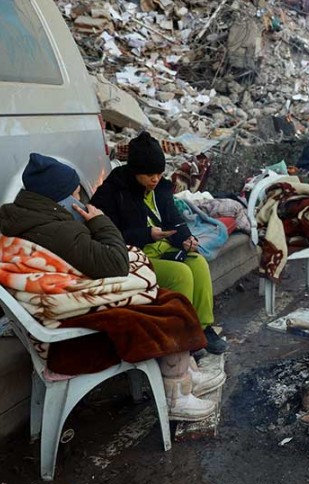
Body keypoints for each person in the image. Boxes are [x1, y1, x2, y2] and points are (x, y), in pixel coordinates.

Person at [0, 154, 223, 420]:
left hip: (57, 306)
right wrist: (99, 221)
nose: (80, 200)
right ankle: (177, 395)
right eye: (75, 193)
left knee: (171, 293)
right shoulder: (58, 229)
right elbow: (116, 263)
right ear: (59, 198)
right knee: (170, 308)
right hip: (67, 336)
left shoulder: (24, 217)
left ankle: (185, 374)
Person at [90, 132, 227, 354]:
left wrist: (185, 239)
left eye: (159, 173)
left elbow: (175, 220)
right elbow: (105, 234)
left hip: (162, 248)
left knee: (198, 263)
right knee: (180, 274)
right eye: (149, 174)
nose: (155, 179)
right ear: (135, 171)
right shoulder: (113, 191)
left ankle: (202, 328)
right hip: (134, 256)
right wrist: (146, 234)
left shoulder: (161, 188)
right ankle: (179, 338)